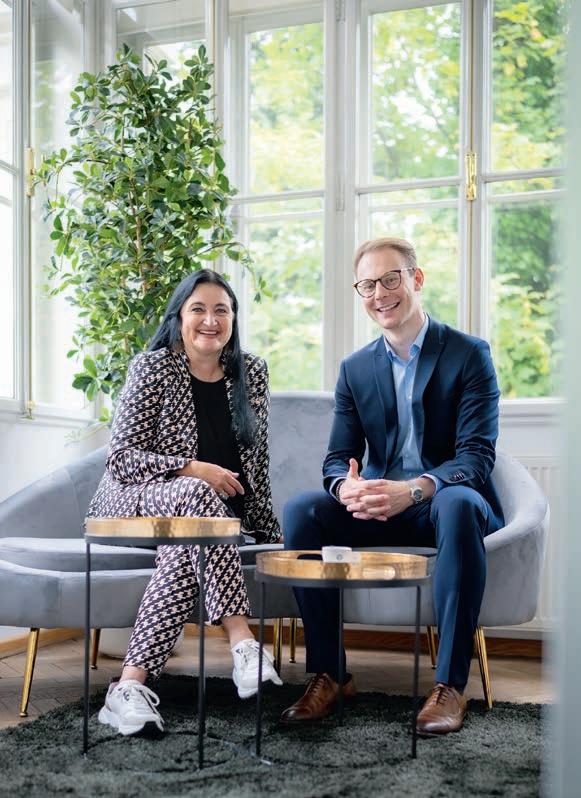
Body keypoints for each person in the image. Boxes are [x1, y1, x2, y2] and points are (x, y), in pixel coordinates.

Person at [281, 237, 504, 736]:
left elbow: (476, 457)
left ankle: (449, 686)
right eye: (367, 285)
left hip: (441, 501)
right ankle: (330, 675)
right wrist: (345, 489)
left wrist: (416, 489)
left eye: (390, 279)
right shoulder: (355, 368)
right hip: (380, 504)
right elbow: (336, 459)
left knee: (459, 504)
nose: (379, 294)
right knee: (302, 511)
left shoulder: (468, 354)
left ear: (416, 279)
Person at [87, 268, 282, 736]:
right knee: (197, 493)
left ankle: (128, 688)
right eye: (199, 309)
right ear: (179, 317)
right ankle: (242, 641)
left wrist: (271, 534)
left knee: (186, 545)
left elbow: (256, 464)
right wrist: (193, 469)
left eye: (221, 310)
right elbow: (121, 459)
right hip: (135, 503)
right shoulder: (153, 367)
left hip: (204, 524)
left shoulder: (251, 373)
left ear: (233, 319)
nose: (210, 320)